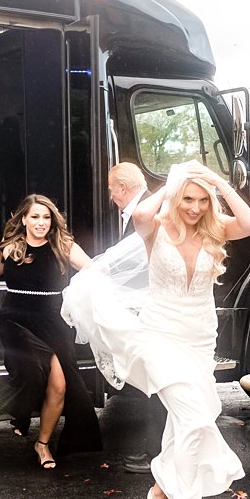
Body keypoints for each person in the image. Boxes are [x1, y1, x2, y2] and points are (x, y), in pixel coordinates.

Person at [65, 160, 250, 499]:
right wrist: (172, 185)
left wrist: (216, 181)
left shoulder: (214, 229)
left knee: (191, 420)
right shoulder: (155, 229)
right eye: (189, 198)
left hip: (200, 338)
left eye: (203, 200)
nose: (195, 207)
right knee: (193, 417)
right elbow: (139, 211)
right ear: (175, 195)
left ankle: (159, 492)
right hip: (159, 335)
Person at [0, 195, 100, 469]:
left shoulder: (63, 246)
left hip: (53, 322)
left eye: (46, 217)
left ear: (52, 220)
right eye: (35, 217)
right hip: (16, 321)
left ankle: (42, 444)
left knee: (61, 383)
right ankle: (19, 414)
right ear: (23, 219)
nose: (41, 222)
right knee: (32, 373)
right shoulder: (12, 247)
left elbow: (93, 271)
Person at [106, 161, 165, 474]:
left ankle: (156, 454)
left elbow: (141, 266)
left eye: (112, 190)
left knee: (156, 382)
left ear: (124, 188)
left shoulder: (146, 212)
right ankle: (158, 451)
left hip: (153, 310)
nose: (111, 196)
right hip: (144, 308)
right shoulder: (137, 210)